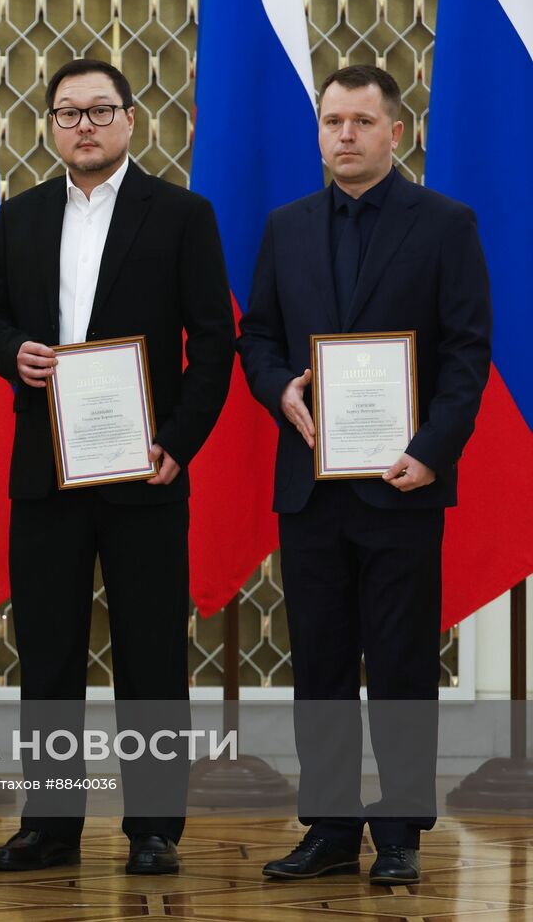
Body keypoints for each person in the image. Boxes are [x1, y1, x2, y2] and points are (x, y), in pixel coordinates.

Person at [0, 58, 233, 875]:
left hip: (145, 469)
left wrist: (178, 442)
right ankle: (49, 825)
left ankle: (154, 827)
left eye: (100, 110)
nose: (83, 124)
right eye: (67, 112)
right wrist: (16, 353)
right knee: (47, 653)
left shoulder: (182, 214)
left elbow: (214, 339)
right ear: (49, 126)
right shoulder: (24, 215)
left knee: (150, 653)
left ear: (130, 121)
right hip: (46, 469)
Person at [238, 64, 491, 886]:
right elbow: (260, 336)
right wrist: (279, 387)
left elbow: (466, 351)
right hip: (311, 482)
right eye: (332, 121)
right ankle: (331, 827)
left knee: (401, 661)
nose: (344, 135)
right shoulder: (287, 225)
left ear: (397, 133)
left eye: (360, 122)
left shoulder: (445, 224)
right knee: (318, 662)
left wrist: (433, 448)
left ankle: (404, 829)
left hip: (402, 480)